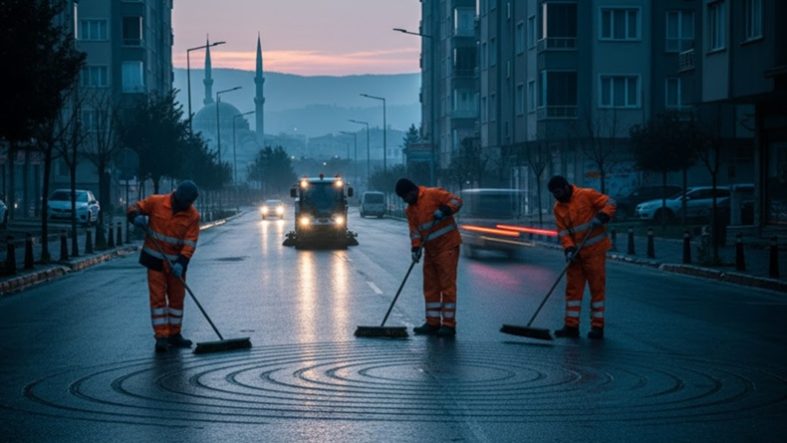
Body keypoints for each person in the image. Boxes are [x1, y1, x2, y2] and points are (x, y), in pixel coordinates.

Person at [127, 180, 200, 352]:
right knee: (158, 299)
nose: (187, 206)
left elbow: (190, 243)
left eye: (190, 203)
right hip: (155, 260)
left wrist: (182, 263)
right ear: (178, 197)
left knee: (176, 299)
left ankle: (175, 335)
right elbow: (133, 208)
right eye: (186, 203)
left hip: (176, 265)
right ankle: (161, 337)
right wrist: (135, 217)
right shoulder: (156, 202)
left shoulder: (193, 216)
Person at [548, 175, 616, 340]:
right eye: (554, 194)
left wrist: (602, 216)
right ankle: (571, 326)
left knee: (596, 291)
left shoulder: (586, 195)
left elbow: (610, 203)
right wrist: (569, 248)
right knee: (573, 291)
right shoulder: (558, 208)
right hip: (576, 255)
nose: (557, 196)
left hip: (594, 252)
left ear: (565, 187)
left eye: (558, 192)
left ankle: (597, 327)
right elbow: (563, 232)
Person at [395, 178, 463, 337]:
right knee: (430, 287)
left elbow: (457, 200)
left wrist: (446, 209)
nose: (404, 200)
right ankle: (432, 323)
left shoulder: (433, 194)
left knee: (447, 287)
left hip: (447, 247)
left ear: (412, 191)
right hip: (430, 250)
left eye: (405, 197)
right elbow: (415, 231)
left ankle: (448, 325)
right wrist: (416, 247)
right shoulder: (410, 210)